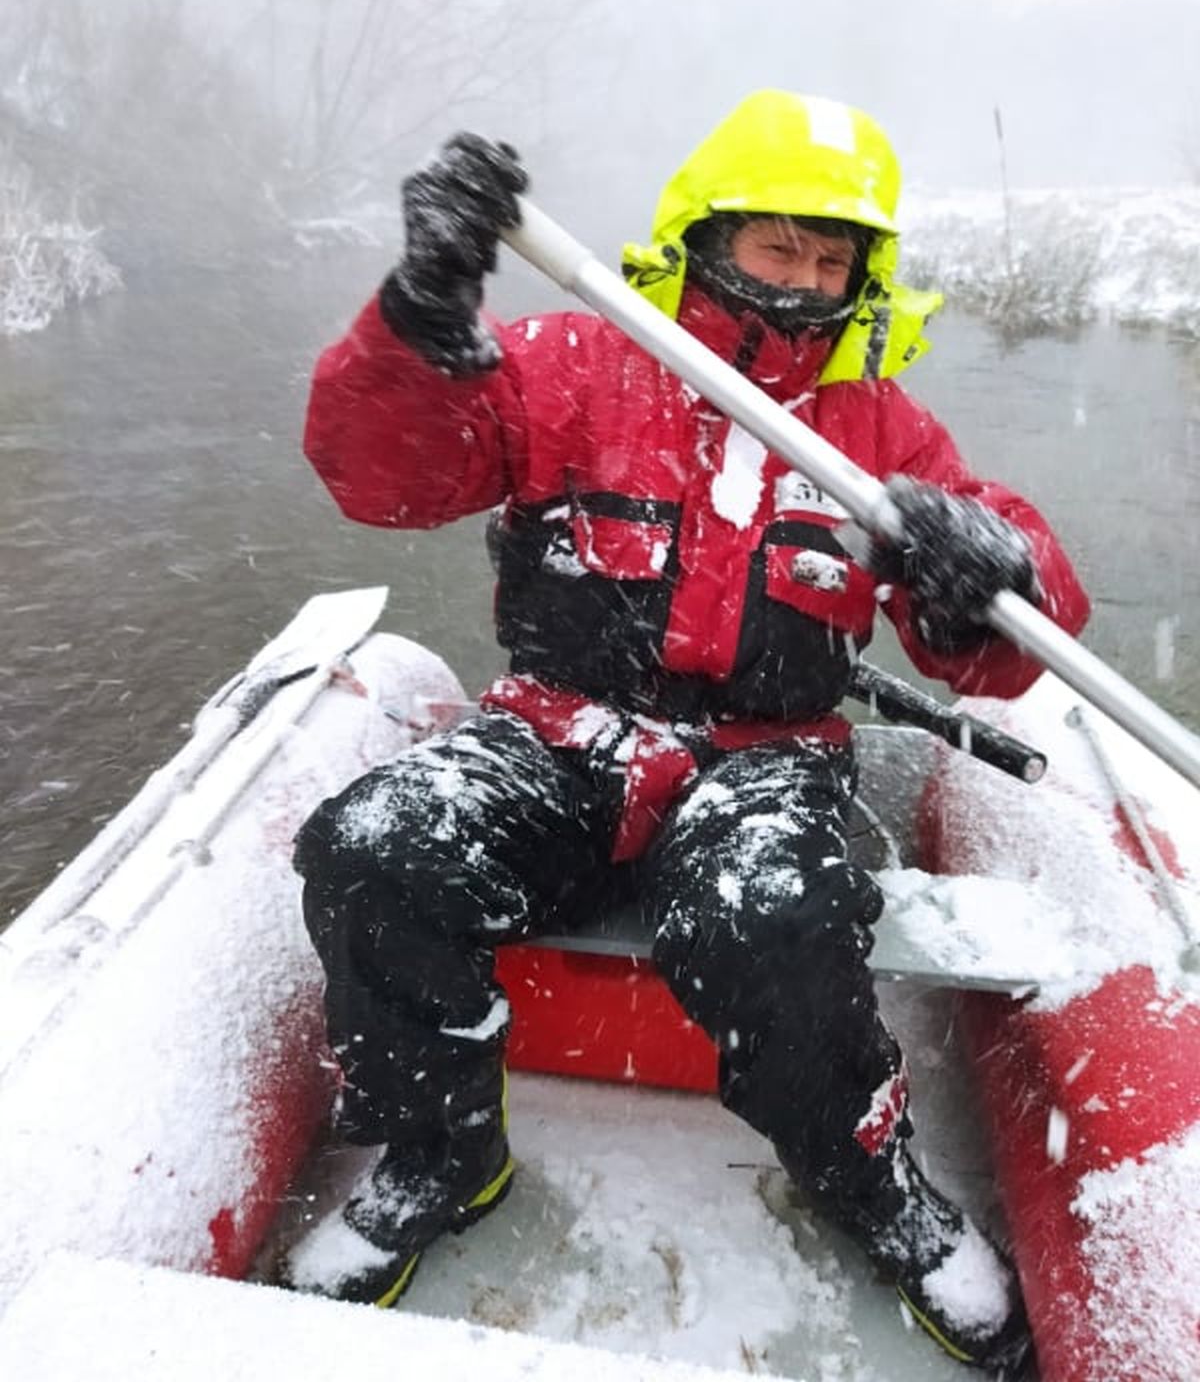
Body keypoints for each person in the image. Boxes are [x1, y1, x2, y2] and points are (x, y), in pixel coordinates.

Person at [286, 90, 1088, 1371]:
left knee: (780, 912)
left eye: (836, 260)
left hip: (765, 762)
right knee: (376, 843)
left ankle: (866, 1173)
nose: (808, 281)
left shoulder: (879, 429)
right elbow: (383, 480)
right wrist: (421, 324)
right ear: (706, 236)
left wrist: (993, 563)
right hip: (550, 736)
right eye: (781, 247)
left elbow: (998, 652)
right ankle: (444, 1149)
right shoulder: (564, 363)